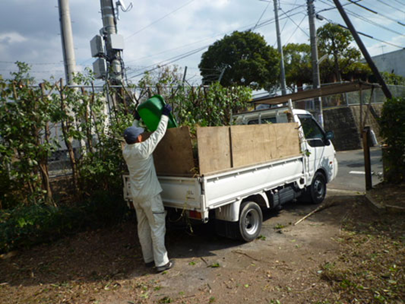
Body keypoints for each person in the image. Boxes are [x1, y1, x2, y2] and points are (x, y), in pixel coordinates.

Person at [122, 104, 174, 273]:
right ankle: (161, 262)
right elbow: (159, 132)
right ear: (138, 139)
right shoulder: (144, 149)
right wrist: (165, 114)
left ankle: (148, 259)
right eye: (140, 135)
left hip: (137, 195)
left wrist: (136, 118)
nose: (142, 136)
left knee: (143, 227)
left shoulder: (126, 151)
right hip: (150, 195)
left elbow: (131, 133)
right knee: (157, 227)